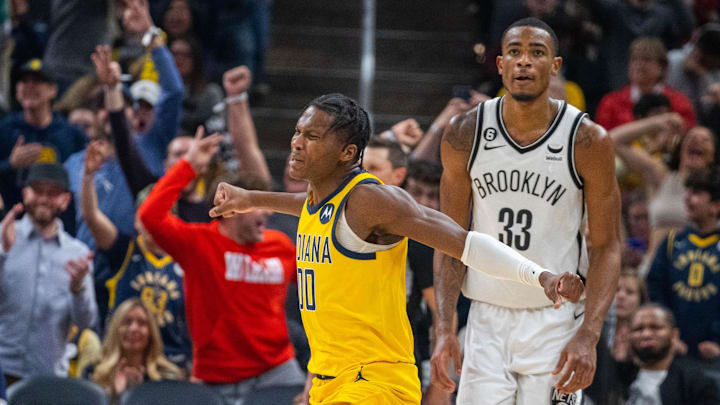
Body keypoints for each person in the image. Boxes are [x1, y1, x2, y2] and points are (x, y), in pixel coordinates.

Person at [209, 93, 585, 404]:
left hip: (374, 382)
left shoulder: (373, 201)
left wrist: (541, 277)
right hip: (330, 381)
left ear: (347, 152)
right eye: (298, 131)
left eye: (312, 136)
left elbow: (462, 241)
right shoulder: (319, 201)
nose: (296, 141)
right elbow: (305, 208)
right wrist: (249, 198)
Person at [430, 17, 622, 403]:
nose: (524, 62)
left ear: (555, 66)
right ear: (500, 65)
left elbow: (606, 246)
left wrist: (589, 333)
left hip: (556, 318)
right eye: (514, 53)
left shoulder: (587, 139)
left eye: (537, 53)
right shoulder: (464, 133)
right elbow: (450, 240)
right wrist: (444, 327)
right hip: (486, 317)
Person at [138, 128, 305, 404]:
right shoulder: (198, 243)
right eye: (258, 205)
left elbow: (321, 281)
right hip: (217, 380)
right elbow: (150, 215)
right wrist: (189, 165)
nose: (269, 213)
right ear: (232, 208)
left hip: (278, 372)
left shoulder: (280, 245)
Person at [81, 140, 192, 368]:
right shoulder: (124, 249)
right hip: (121, 360)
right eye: (147, 216)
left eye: (163, 216)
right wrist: (88, 177)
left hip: (171, 362)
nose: (154, 224)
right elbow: (92, 216)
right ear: (136, 220)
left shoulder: (187, 258)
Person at [0, 163, 97, 386]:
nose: (44, 199)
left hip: (47, 377)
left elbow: (86, 322)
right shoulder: (4, 235)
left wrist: (77, 289)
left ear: (65, 200)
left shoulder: (78, 254)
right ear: (25, 194)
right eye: (38, 191)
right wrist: (2, 254)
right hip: (1, 370)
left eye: (52, 193)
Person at [646, 166, 720, 361]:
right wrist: (668, 331)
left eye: (696, 193)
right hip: (674, 348)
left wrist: (717, 338)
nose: (687, 197)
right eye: (687, 191)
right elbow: (656, 288)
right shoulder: (672, 241)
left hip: (713, 353)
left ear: (716, 206)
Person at [0, 59, 87, 212]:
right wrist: (11, 164)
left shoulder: (71, 134)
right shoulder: (5, 129)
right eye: (24, 81)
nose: (29, 86)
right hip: (12, 220)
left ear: (53, 89)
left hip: (58, 222)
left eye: (37, 81)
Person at [616, 304, 720, 403]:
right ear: (628, 336)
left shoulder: (697, 383)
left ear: (674, 335)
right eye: (638, 329)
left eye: (655, 327)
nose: (646, 334)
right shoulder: (617, 375)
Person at [595, 37, 696, 132]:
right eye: (634, 58)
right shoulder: (611, 102)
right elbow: (601, 140)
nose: (639, 64)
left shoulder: (679, 102)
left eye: (646, 59)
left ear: (662, 66)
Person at [92, 298, 183, 403]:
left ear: (151, 333)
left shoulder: (168, 376)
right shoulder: (94, 372)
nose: (134, 328)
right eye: (127, 322)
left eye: (142, 323)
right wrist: (114, 396)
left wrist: (140, 396)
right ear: (116, 329)